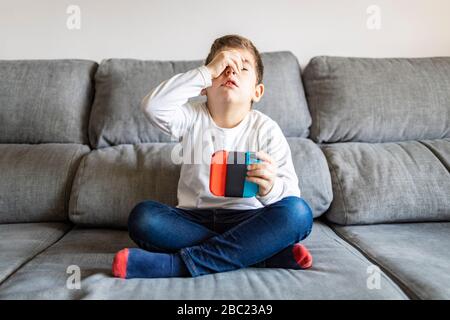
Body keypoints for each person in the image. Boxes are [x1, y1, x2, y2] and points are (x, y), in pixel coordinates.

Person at [112, 34, 313, 279]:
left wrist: (271, 187)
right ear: (205, 86)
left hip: (248, 220)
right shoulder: (190, 117)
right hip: (192, 219)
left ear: (257, 92)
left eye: (242, 69)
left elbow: (291, 196)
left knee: (298, 213)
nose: (231, 73)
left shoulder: (267, 130)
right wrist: (206, 71)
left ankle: (177, 266)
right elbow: (152, 106)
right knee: (144, 217)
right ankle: (261, 254)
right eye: (223, 67)